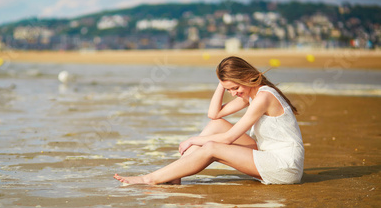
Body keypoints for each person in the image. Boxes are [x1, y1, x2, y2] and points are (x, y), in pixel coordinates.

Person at [114, 56, 305, 185]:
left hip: (284, 166)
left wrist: (192, 140)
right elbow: (214, 115)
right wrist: (222, 82)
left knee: (212, 147)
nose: (233, 93)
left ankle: (150, 179)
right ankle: (174, 176)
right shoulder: (250, 94)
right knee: (216, 125)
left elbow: (229, 139)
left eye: (235, 87)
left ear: (247, 77)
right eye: (229, 89)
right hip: (267, 154)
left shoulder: (263, 97)